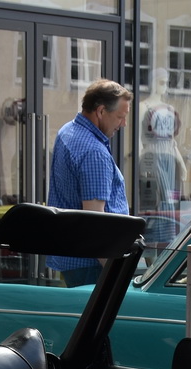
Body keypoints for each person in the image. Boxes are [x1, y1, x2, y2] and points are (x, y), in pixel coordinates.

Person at [47, 79, 131, 288]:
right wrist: (117, 273)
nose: (123, 124)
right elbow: (96, 222)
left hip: (73, 258)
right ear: (101, 111)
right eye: (120, 117)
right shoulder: (94, 152)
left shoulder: (67, 131)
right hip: (93, 265)